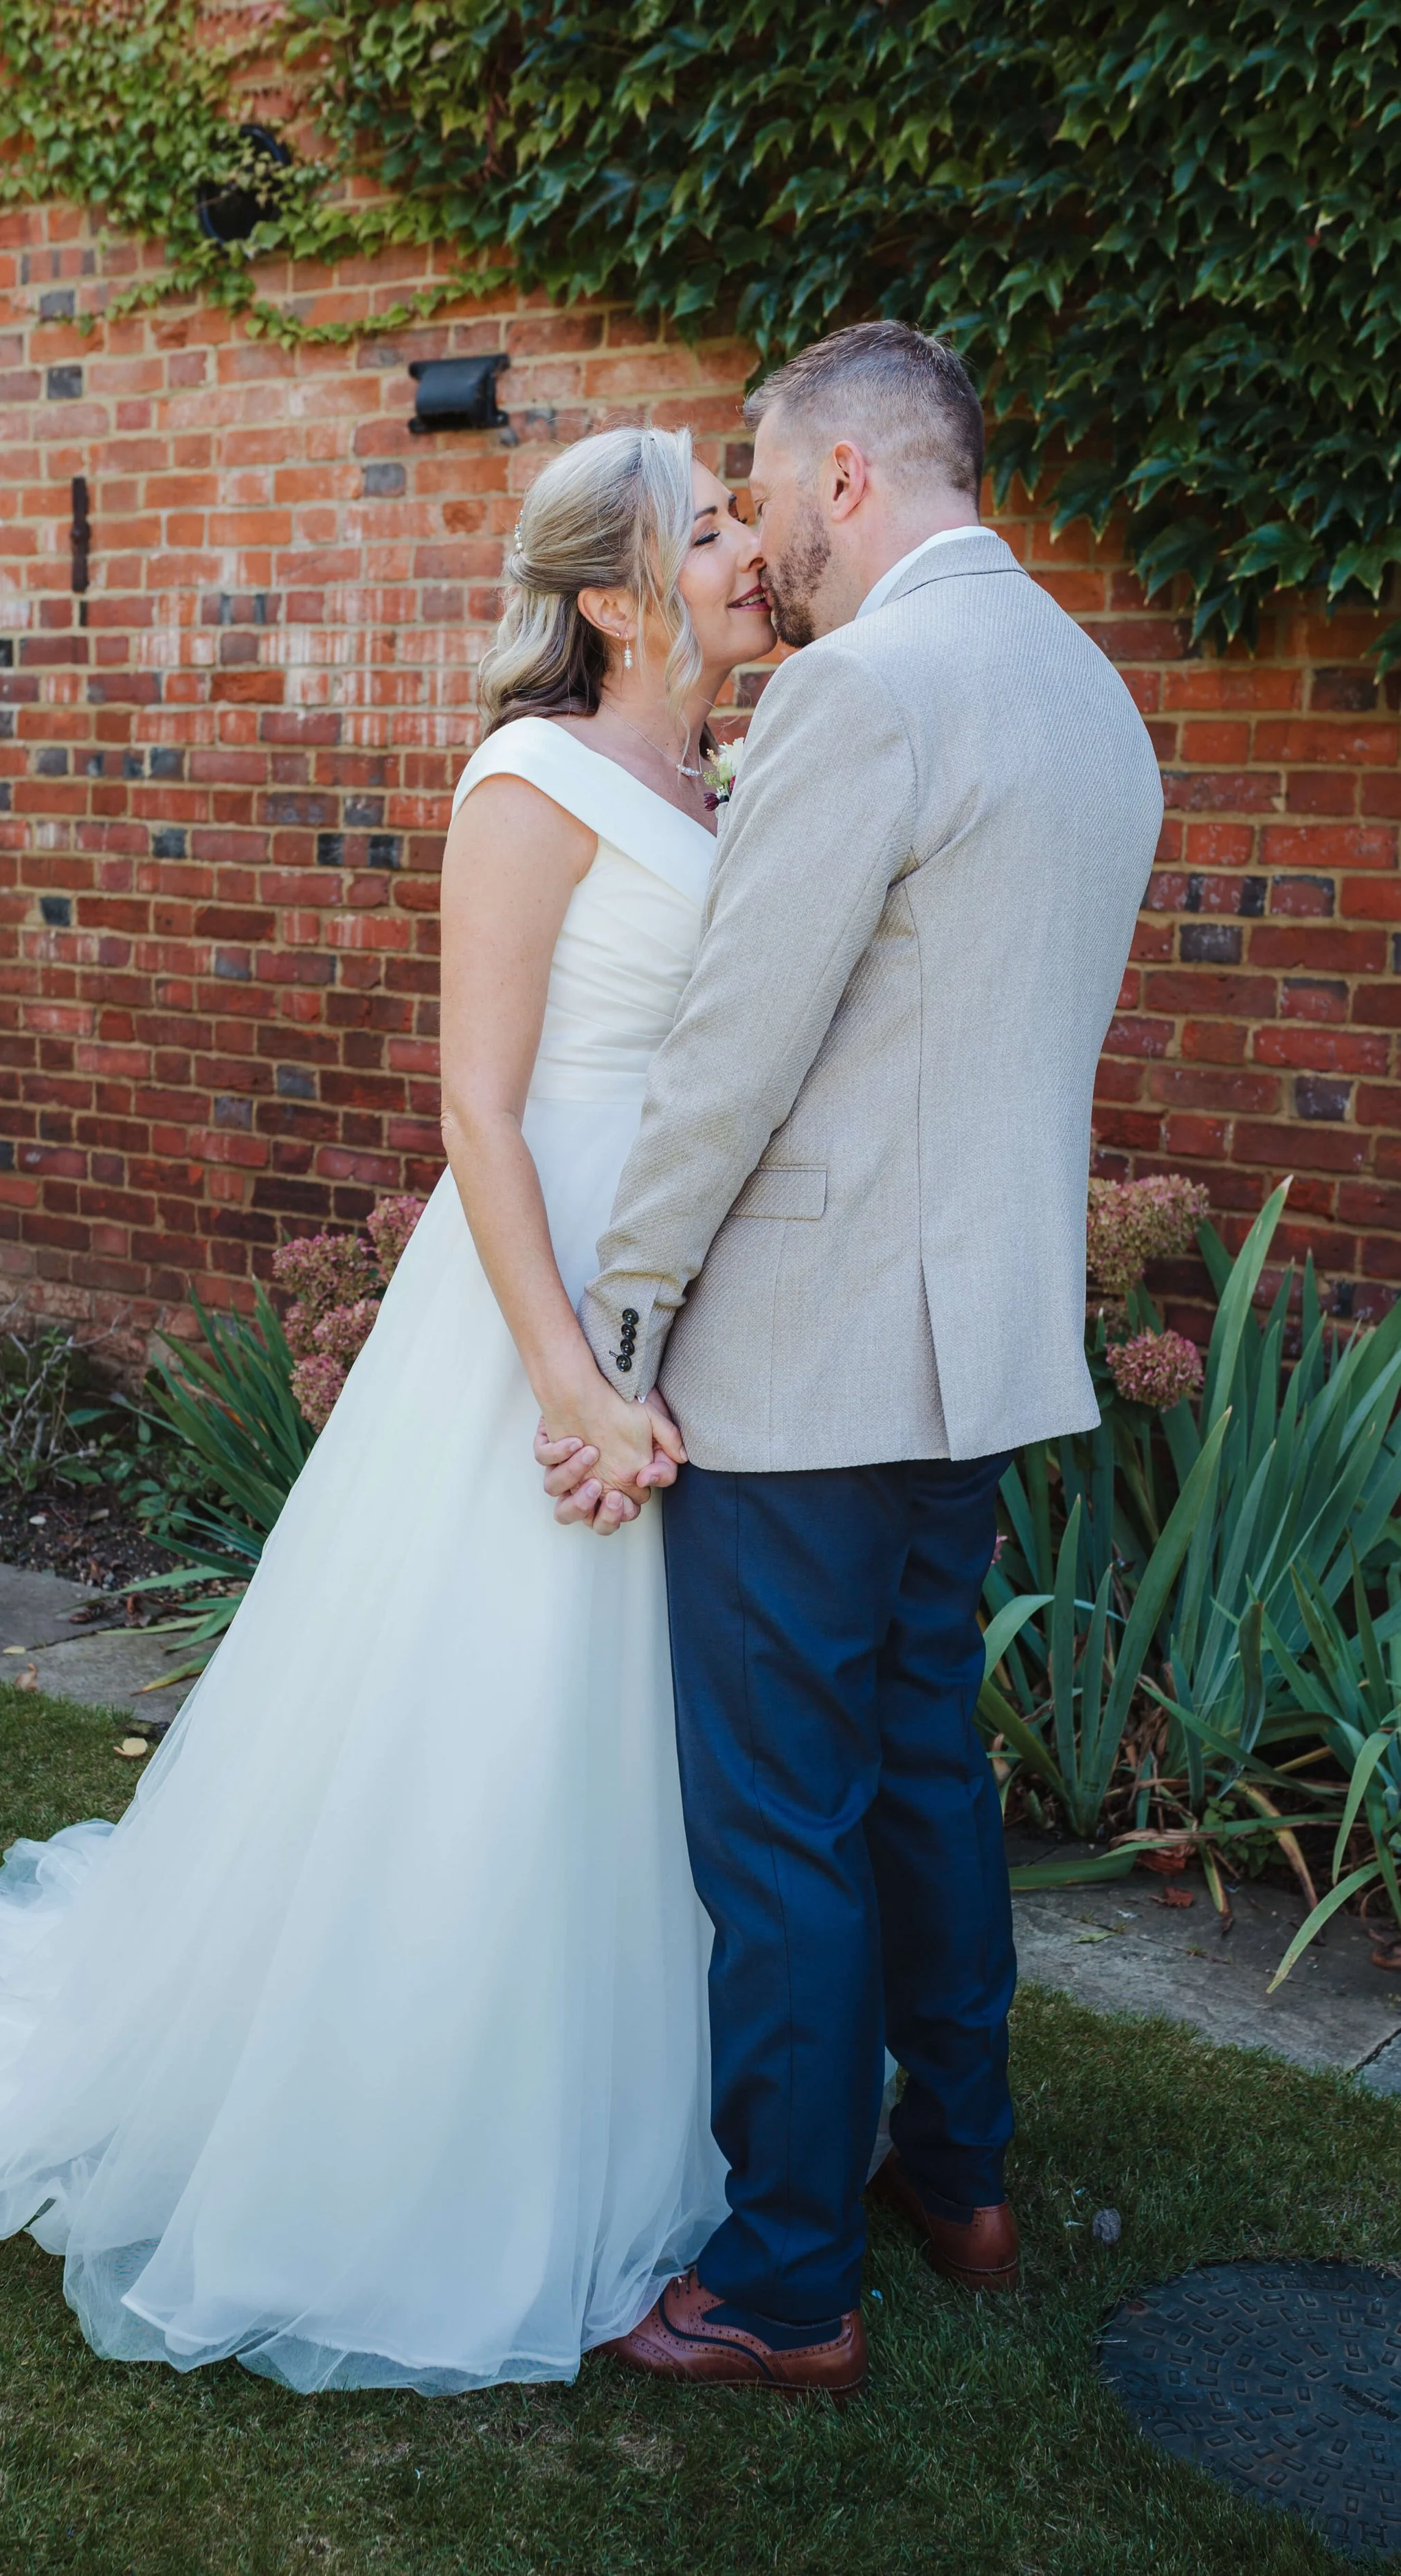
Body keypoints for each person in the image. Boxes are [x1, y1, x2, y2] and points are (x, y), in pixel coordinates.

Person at [0, 424, 782, 2395]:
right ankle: (426, 2144)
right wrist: (570, 1374)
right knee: (497, 1699)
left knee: (642, 1733)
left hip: (687, 1286)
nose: (747, 545)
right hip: (533, 1291)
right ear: (610, 593)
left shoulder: (732, 772)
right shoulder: (529, 779)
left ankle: (657, 2100)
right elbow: (475, 1112)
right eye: (711, 521)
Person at [540, 321, 1163, 2391]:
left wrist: (614, 1330)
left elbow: (731, 1051)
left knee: (777, 1824)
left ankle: (786, 2278)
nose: (760, 535)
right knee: (918, 1767)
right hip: (977, 1356)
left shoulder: (863, 694)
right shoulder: (1088, 690)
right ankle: (960, 2173)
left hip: (805, 1362)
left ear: (844, 480)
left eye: (765, 483)